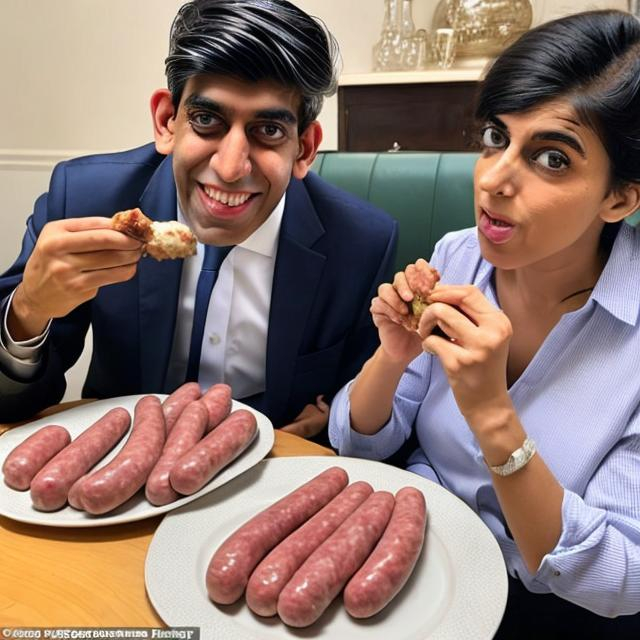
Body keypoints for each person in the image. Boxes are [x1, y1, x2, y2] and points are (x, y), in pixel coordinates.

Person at [329, 9, 640, 637]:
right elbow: (359, 441)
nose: (494, 179)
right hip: (408, 552)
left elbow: (617, 578)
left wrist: (493, 416)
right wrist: (391, 357)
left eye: (552, 159)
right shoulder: (457, 256)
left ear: (620, 197)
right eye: (497, 137)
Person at [0, 0, 398, 440]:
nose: (230, 168)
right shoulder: (85, 198)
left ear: (304, 148)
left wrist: (333, 420)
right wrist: (27, 312)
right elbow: (12, 400)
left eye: (268, 131)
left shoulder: (362, 243)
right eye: (207, 119)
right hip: (118, 457)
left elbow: (360, 400)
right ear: (167, 122)